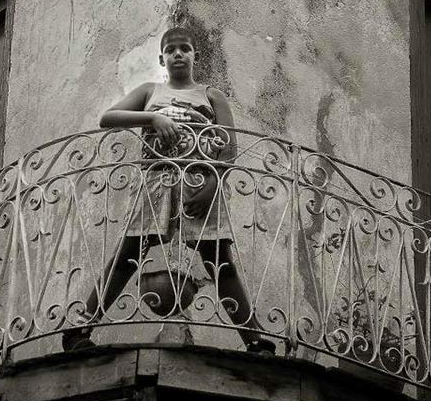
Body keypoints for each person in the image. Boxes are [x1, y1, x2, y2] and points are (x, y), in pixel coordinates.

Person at [62, 27, 275, 355]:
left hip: (199, 183)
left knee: (219, 261)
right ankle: (80, 328)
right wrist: (153, 118)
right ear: (162, 58)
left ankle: (255, 340)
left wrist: (214, 184)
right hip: (158, 182)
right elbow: (108, 117)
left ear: (195, 56)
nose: (178, 54)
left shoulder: (211, 95)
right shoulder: (150, 91)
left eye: (185, 49)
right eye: (171, 49)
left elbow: (229, 148)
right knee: (128, 255)